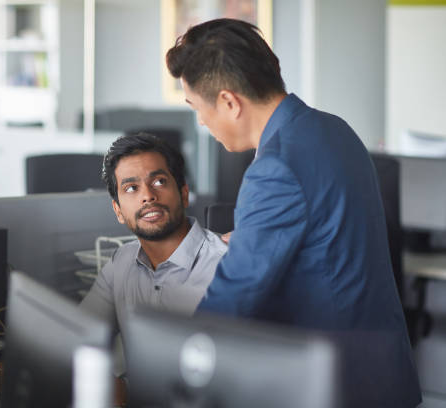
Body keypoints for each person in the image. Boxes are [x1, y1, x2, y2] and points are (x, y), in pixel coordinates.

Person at [166, 18, 421, 407]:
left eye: (198, 108)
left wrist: (170, 363)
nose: (202, 122)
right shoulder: (333, 128)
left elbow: (233, 300)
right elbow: (329, 232)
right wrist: (250, 238)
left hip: (336, 383)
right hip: (379, 369)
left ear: (229, 102)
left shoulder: (275, 168)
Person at [80, 133, 227, 334]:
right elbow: (79, 335)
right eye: (131, 188)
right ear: (118, 211)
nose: (148, 196)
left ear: (183, 194)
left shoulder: (226, 263)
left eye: (159, 182)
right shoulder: (120, 262)